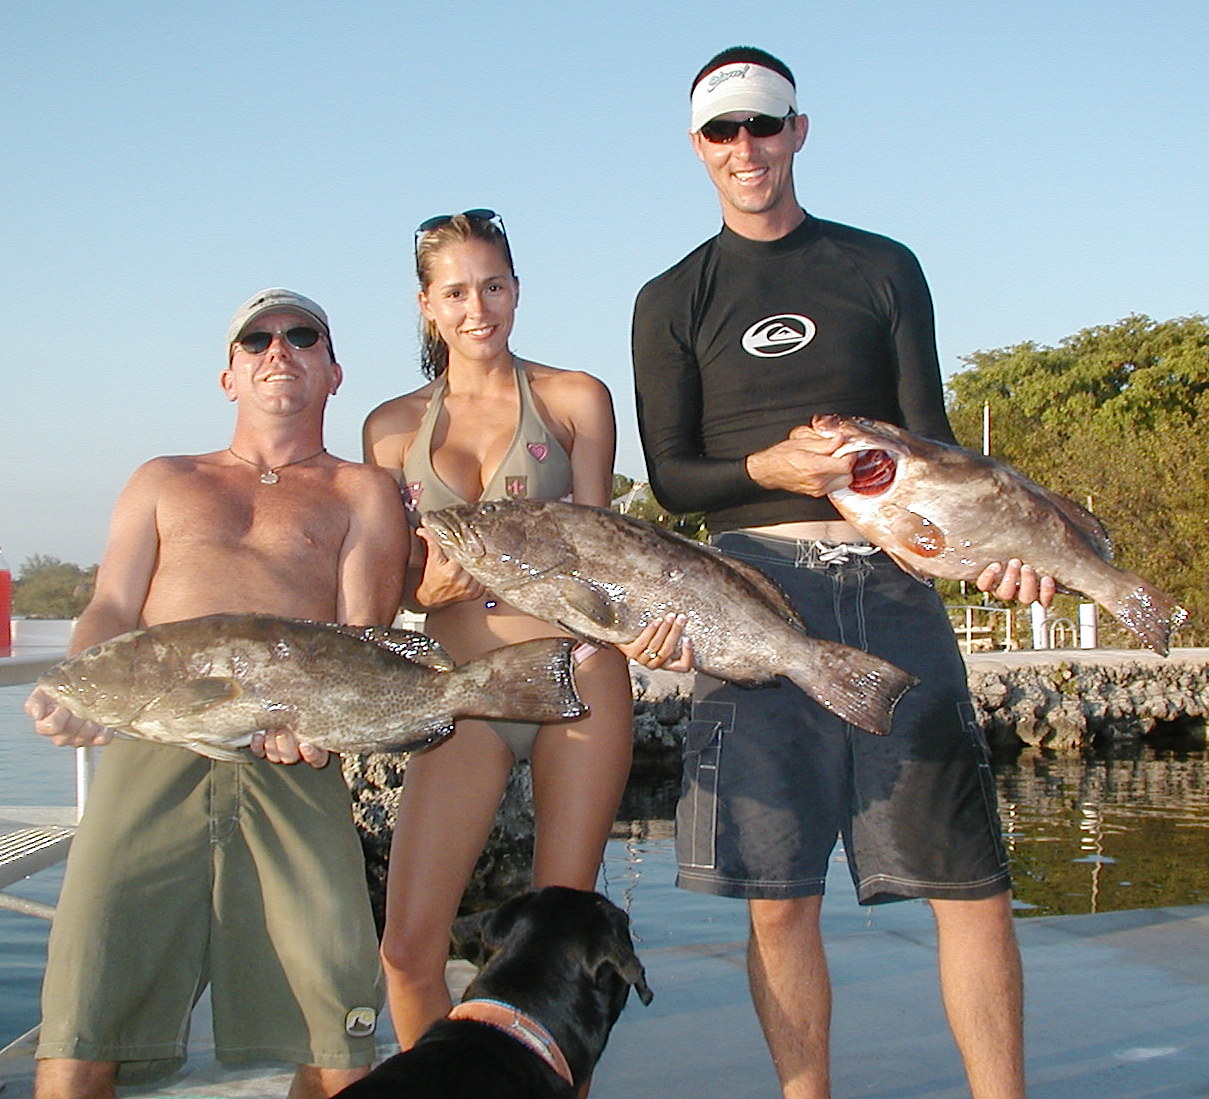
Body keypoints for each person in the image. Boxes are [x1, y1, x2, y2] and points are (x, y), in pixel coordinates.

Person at [631, 48, 1055, 1099]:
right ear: (697, 147)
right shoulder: (669, 298)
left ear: (799, 132)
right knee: (777, 894)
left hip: (891, 581)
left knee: (973, 883)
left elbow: (938, 446)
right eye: (723, 133)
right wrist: (768, 469)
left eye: (763, 128)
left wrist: (999, 551)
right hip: (747, 590)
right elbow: (675, 480)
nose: (746, 151)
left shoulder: (883, 266)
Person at [24, 288, 408, 1099]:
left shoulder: (361, 490)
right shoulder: (162, 479)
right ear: (227, 375)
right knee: (83, 1011)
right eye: (257, 339)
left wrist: (322, 725)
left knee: (337, 1021)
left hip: (290, 757)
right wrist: (79, 687)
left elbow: (361, 632)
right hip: (151, 746)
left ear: (333, 373)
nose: (280, 350)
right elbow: (112, 607)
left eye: (303, 337)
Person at [363, 210, 686, 1050]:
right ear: (426, 303)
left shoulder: (575, 398)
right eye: (458, 291)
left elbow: (609, 552)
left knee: (558, 952)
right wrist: (418, 584)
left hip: (578, 679)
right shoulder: (390, 429)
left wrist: (650, 629)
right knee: (406, 948)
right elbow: (383, 578)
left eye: (495, 285)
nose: (480, 308)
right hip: (464, 690)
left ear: (516, 288)